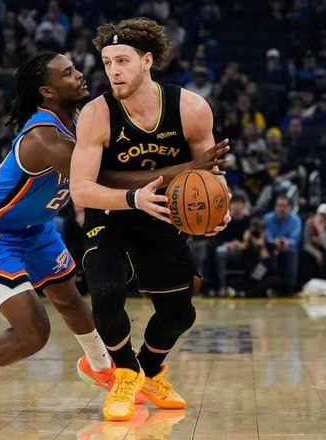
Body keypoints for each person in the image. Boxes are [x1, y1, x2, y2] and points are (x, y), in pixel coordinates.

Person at [69, 18, 230, 421]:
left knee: (180, 314)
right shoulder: (96, 114)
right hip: (111, 212)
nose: (114, 71)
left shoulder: (190, 108)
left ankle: (150, 370)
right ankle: (125, 374)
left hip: (162, 213)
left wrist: (221, 206)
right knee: (106, 296)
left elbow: (210, 173)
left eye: (122, 61)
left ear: (147, 61)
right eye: (107, 62)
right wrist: (133, 198)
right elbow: (81, 189)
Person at [0, 52, 114, 416]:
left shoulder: (78, 120)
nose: (79, 75)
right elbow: (105, 176)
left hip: (36, 228)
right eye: (68, 73)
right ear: (47, 92)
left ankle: (101, 367)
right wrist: (177, 173)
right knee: (34, 332)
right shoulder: (43, 137)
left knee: (69, 298)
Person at [263, 195, 302, 294]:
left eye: (284, 206)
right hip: (271, 246)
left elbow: (295, 239)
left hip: (288, 247)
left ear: (290, 208)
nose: (281, 209)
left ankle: (290, 287)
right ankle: (267, 286)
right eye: (279, 206)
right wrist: (274, 242)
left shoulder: (296, 220)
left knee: (292, 251)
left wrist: (286, 242)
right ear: (275, 207)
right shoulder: (267, 218)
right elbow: (267, 236)